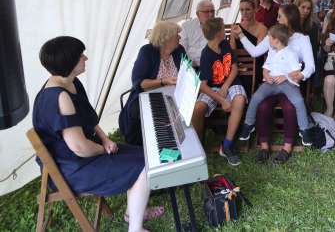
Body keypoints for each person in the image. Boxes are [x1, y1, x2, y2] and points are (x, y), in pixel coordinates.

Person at [35, 36, 163, 232]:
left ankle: (133, 213)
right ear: (69, 62)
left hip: (83, 154)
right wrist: (104, 149)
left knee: (147, 155)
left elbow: (89, 119)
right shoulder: (59, 97)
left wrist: (105, 139)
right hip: (71, 168)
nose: (85, 58)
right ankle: (135, 228)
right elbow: (80, 148)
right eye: (80, 56)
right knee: (145, 165)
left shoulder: (72, 82)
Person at [231, 4, 315, 163]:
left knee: (291, 106)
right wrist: (241, 35)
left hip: (290, 82)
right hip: (271, 82)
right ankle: (263, 146)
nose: (276, 19)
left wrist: (300, 75)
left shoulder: (302, 39)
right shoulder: (274, 35)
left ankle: (287, 147)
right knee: (261, 105)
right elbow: (256, 53)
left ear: (289, 18)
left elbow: (310, 66)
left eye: (279, 16)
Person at [238, 24, 313, 145]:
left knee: (298, 101)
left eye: (269, 38)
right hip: (271, 83)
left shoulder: (291, 53)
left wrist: (286, 76)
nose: (268, 40)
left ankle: (304, 129)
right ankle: (248, 124)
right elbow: (266, 67)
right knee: (256, 97)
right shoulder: (272, 52)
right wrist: (266, 75)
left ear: (276, 40)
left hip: (287, 84)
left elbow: (297, 72)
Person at [191, 18, 247, 166]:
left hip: (231, 82)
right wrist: (221, 99)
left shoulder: (225, 45)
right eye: (223, 29)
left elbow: (234, 68)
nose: (225, 31)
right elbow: (203, 85)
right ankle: (198, 147)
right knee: (198, 108)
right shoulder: (206, 54)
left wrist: (225, 86)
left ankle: (227, 145)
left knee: (239, 99)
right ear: (217, 34)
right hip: (212, 87)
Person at [121, 21, 185, 145]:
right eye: (177, 35)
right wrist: (163, 81)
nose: (180, 37)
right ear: (166, 38)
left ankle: (178, 141)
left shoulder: (179, 50)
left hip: (175, 94)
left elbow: (187, 70)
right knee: (147, 114)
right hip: (150, 95)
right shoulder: (147, 52)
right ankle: (153, 143)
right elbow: (139, 83)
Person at [230, 0, 268, 88]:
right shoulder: (236, 28)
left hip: (255, 67)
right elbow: (232, 52)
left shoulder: (262, 29)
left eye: (248, 9)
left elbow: (258, 53)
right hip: (238, 68)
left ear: (255, 9)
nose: (244, 13)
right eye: (241, 10)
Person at [180, 0, 215, 68]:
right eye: (206, 12)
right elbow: (182, 48)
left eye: (212, 11)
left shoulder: (218, 27)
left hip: (210, 66)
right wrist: (188, 63)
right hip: (191, 66)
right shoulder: (187, 26)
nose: (211, 14)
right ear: (198, 14)